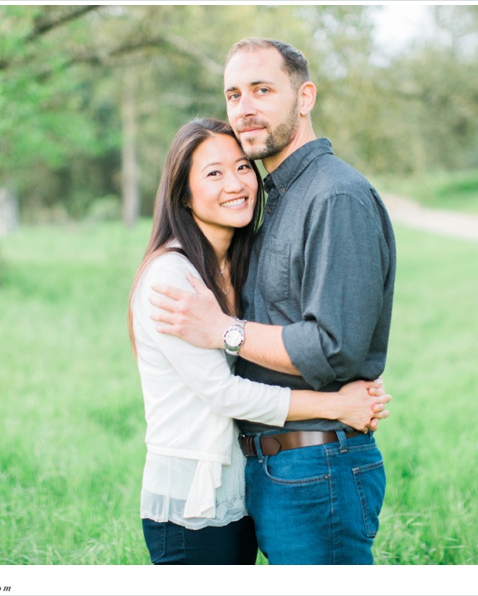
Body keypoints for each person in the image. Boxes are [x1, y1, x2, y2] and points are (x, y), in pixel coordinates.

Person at [149, 38, 397, 564]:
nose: (245, 108)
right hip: (269, 475)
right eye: (234, 94)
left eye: (262, 89)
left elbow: (335, 348)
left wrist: (224, 331)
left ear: (304, 97)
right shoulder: (273, 199)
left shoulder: (334, 196)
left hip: (318, 465)